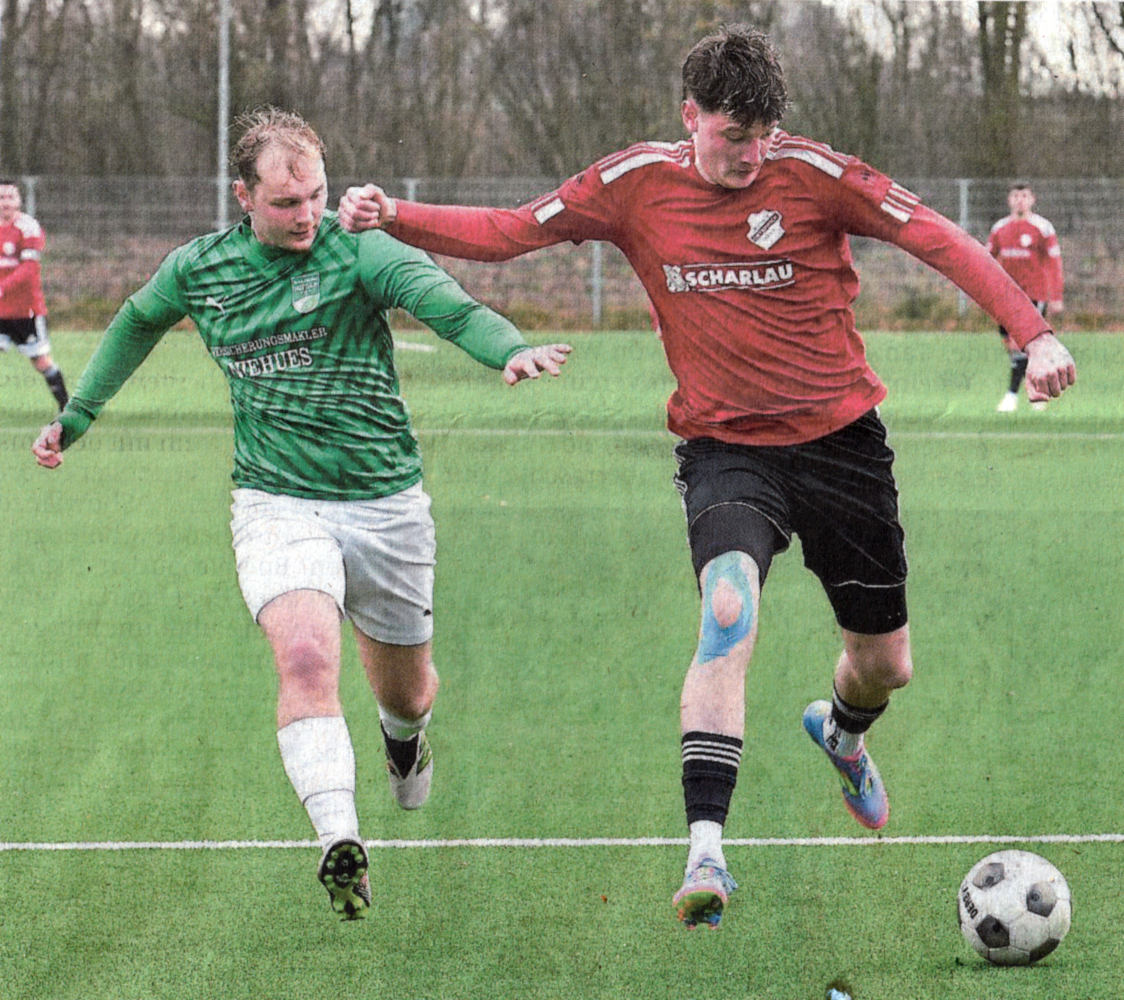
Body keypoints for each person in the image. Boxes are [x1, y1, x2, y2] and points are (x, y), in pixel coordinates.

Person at [337, 25, 1076, 930]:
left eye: (764, 133)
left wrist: (1030, 332)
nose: (751, 153)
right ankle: (707, 853)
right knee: (727, 613)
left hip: (843, 442)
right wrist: (395, 216)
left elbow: (940, 241)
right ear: (691, 116)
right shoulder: (632, 184)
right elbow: (510, 231)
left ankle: (842, 733)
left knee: (885, 665)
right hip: (726, 448)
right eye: (734, 134)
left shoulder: (816, 174)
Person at [31, 108, 570, 920]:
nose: (308, 214)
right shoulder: (201, 268)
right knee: (309, 658)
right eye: (287, 202)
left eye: (316, 194)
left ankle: (404, 740)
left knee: (410, 693)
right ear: (243, 195)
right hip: (275, 501)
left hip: (386, 504)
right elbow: (139, 319)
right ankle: (339, 839)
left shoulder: (360, 249)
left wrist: (508, 347)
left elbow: (446, 303)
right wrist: (79, 415)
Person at [986, 182, 1064, 412]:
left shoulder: (1043, 228)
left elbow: (1054, 263)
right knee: (1013, 345)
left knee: (1023, 344)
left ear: (1032, 200)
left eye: (1024, 196)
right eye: (1016, 196)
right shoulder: (1000, 228)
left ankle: (1013, 395)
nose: (1020, 200)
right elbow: (985, 260)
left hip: (1033, 296)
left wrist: (1056, 296)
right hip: (1004, 297)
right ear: (1010, 200)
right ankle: (1042, 383)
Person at [0, 178, 69, 410]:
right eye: (1, 197)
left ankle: (66, 408)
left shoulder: (28, 228)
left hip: (25, 311)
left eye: (10, 197)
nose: (5, 202)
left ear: (18, 200)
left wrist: (2, 287)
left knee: (41, 361)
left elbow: (28, 271)